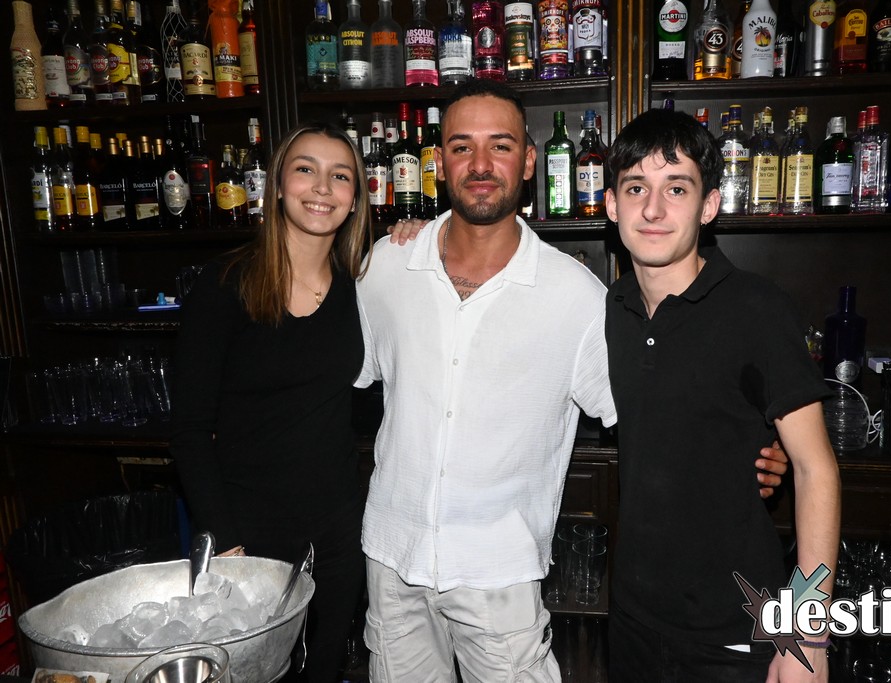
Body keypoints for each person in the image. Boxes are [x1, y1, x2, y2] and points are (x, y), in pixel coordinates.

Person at [357, 79, 791, 682]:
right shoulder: (385, 267)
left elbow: (654, 409)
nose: (480, 164)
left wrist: (757, 443)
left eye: (500, 145)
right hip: (391, 560)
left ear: (529, 161)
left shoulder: (578, 296)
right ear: (438, 161)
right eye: (461, 147)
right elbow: (331, 381)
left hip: (500, 577)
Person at [603, 108, 842, 682]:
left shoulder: (756, 308)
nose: (653, 209)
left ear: (709, 205)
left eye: (676, 188)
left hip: (734, 630)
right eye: (635, 188)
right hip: (632, 620)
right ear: (611, 205)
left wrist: (808, 635)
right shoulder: (612, 308)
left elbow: (816, 469)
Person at [170, 119, 373, 683]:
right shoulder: (226, 283)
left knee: (323, 670)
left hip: (338, 533)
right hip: (249, 535)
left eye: (340, 176)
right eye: (306, 170)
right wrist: (225, 541)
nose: (322, 188)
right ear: (278, 185)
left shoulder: (360, 286)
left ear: (356, 197)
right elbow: (189, 430)